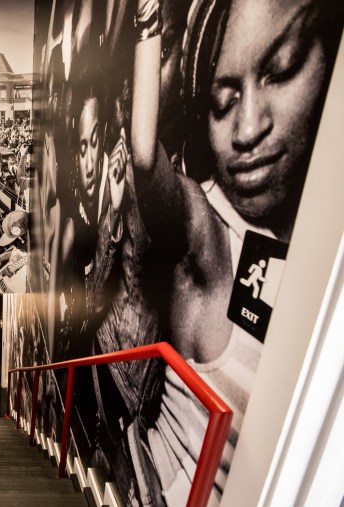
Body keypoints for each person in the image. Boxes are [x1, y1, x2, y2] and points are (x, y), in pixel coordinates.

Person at [127, 0, 341, 503]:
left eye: (281, 71)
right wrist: (147, 25)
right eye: (221, 104)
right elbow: (143, 157)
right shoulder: (212, 235)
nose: (247, 131)